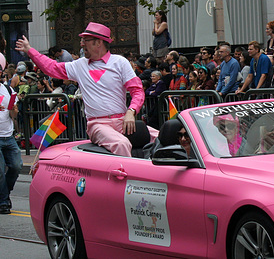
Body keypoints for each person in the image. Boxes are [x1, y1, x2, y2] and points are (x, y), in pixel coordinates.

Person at [15, 22, 158, 157]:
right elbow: (51, 67)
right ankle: (128, 181)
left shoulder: (120, 62)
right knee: (121, 144)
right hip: (98, 124)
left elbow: (137, 90)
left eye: (85, 40)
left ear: (99, 42)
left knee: (162, 137)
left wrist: (131, 112)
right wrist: (30, 50)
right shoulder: (79, 65)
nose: (81, 44)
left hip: (122, 121)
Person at [0, 42, 21, 215]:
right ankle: (4, 202)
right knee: (0, 170)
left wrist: (14, 111)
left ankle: (3, 193)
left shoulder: (7, 89)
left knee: (16, 166)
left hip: (8, 136)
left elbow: (14, 115)